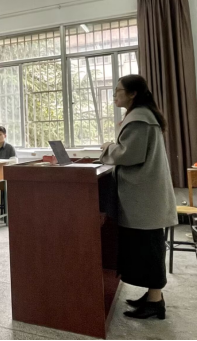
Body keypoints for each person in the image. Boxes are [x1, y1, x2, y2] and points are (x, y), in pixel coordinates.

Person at [100, 75, 177, 320]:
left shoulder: (139, 118)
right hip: (146, 194)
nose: (115, 94)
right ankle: (153, 296)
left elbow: (129, 154)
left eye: (118, 90)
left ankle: (155, 302)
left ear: (133, 93)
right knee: (148, 246)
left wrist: (107, 147)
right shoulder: (141, 115)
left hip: (144, 196)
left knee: (149, 248)